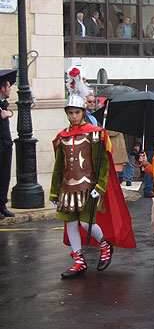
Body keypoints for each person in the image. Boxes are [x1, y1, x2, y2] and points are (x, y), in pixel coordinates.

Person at [50, 67, 135, 278]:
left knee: (87, 222)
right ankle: (78, 259)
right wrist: (53, 193)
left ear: (83, 113)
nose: (73, 116)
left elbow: (103, 164)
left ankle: (105, 244)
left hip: (89, 185)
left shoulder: (95, 134)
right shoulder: (62, 137)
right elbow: (59, 167)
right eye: (70, 113)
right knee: (70, 222)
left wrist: (100, 186)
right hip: (68, 187)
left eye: (77, 112)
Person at [0, 72, 15, 219]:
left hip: (5, 145)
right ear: (3, 88)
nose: (10, 89)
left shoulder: (3, 104)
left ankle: (2, 204)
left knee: (4, 176)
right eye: (8, 86)